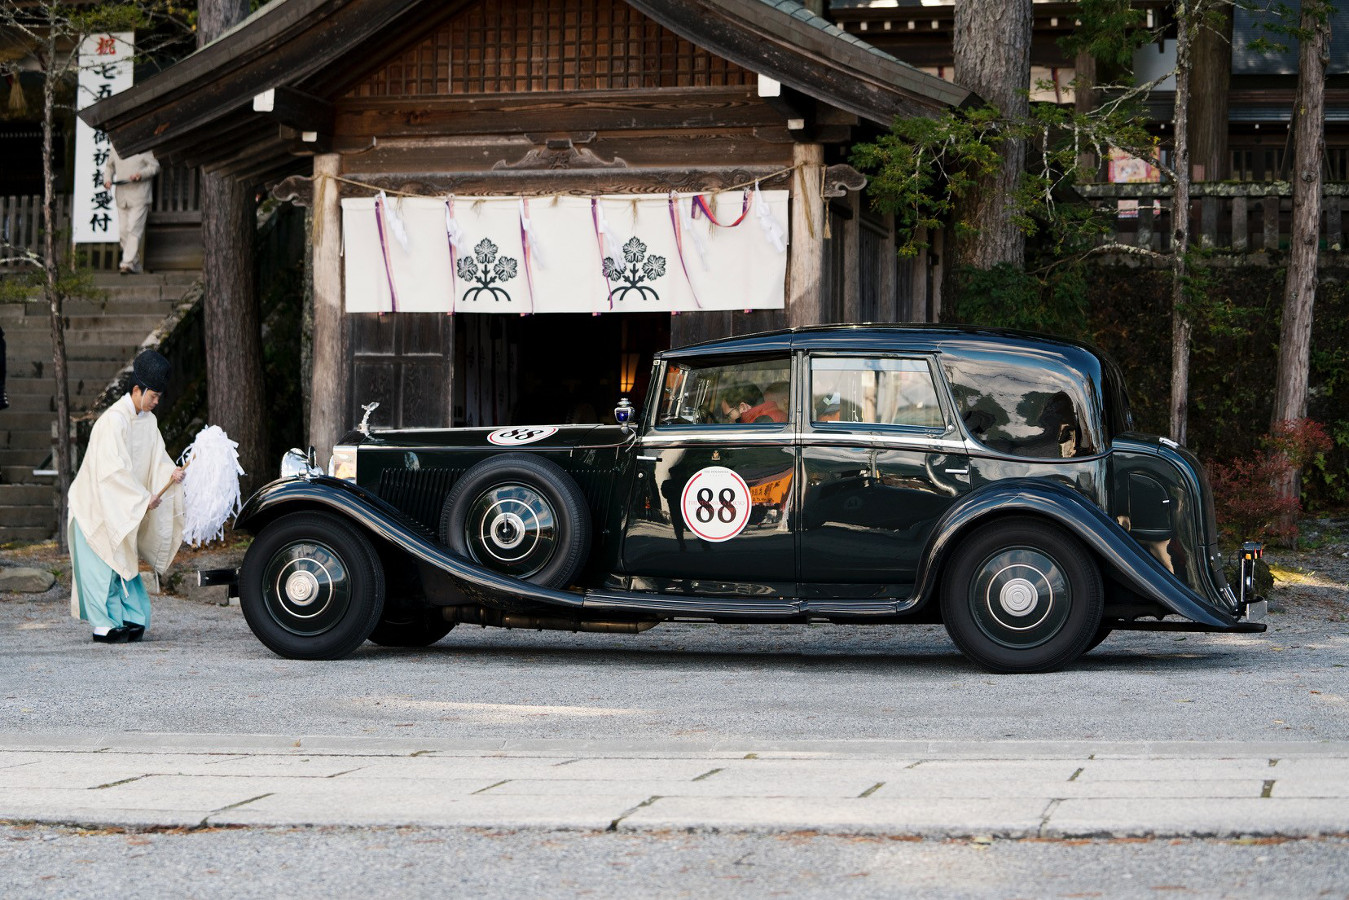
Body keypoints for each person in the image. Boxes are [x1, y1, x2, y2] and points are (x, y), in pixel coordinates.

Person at [68, 350, 185, 643]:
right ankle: (103, 624)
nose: (156, 402)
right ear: (137, 389)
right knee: (103, 568)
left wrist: (171, 475)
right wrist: (142, 498)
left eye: (159, 396)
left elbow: (157, 459)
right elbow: (112, 473)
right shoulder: (112, 422)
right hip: (95, 507)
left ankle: (130, 619)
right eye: (153, 396)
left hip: (121, 507)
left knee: (124, 563)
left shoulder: (147, 421)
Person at [102, 147, 159, 274]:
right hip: (122, 195)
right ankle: (136, 264)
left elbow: (155, 166)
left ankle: (127, 263)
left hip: (140, 195)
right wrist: (107, 179)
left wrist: (141, 174)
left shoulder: (143, 147)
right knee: (123, 232)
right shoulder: (116, 148)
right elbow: (109, 166)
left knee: (134, 229)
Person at [720, 384, 787, 424]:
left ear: (743, 407)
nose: (729, 421)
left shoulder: (759, 423)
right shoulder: (771, 414)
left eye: (728, 415)